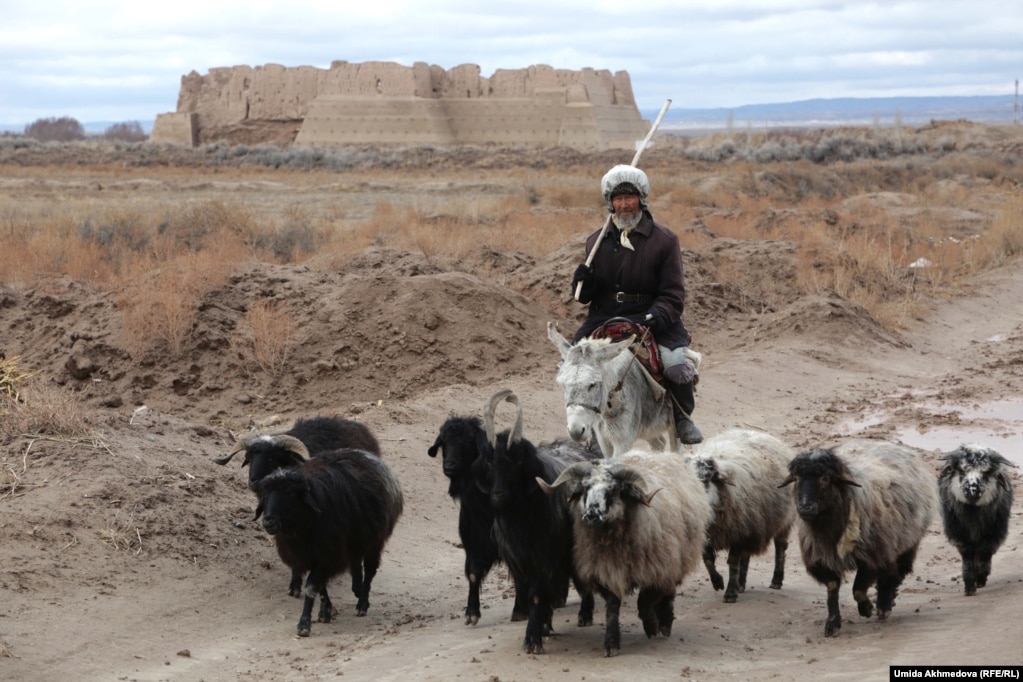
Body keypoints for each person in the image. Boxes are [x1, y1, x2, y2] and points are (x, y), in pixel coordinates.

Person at [570, 164, 703, 445]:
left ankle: (682, 418)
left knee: (675, 366)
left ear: (641, 198)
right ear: (610, 203)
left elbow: (674, 294)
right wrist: (581, 281)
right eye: (618, 199)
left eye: (629, 197)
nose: (624, 204)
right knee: (574, 361)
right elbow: (585, 297)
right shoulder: (596, 241)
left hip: (652, 316)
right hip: (605, 316)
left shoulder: (665, 240)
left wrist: (658, 314)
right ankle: (587, 420)